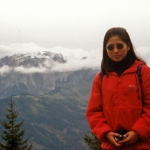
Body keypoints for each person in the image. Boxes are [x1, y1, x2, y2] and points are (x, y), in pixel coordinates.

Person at [86, 27, 150, 150]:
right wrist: (106, 133)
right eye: (110, 47)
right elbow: (94, 112)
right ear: (106, 49)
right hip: (112, 146)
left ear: (128, 46)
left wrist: (138, 132)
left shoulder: (143, 72)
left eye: (119, 46)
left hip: (142, 145)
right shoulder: (101, 77)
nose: (115, 51)